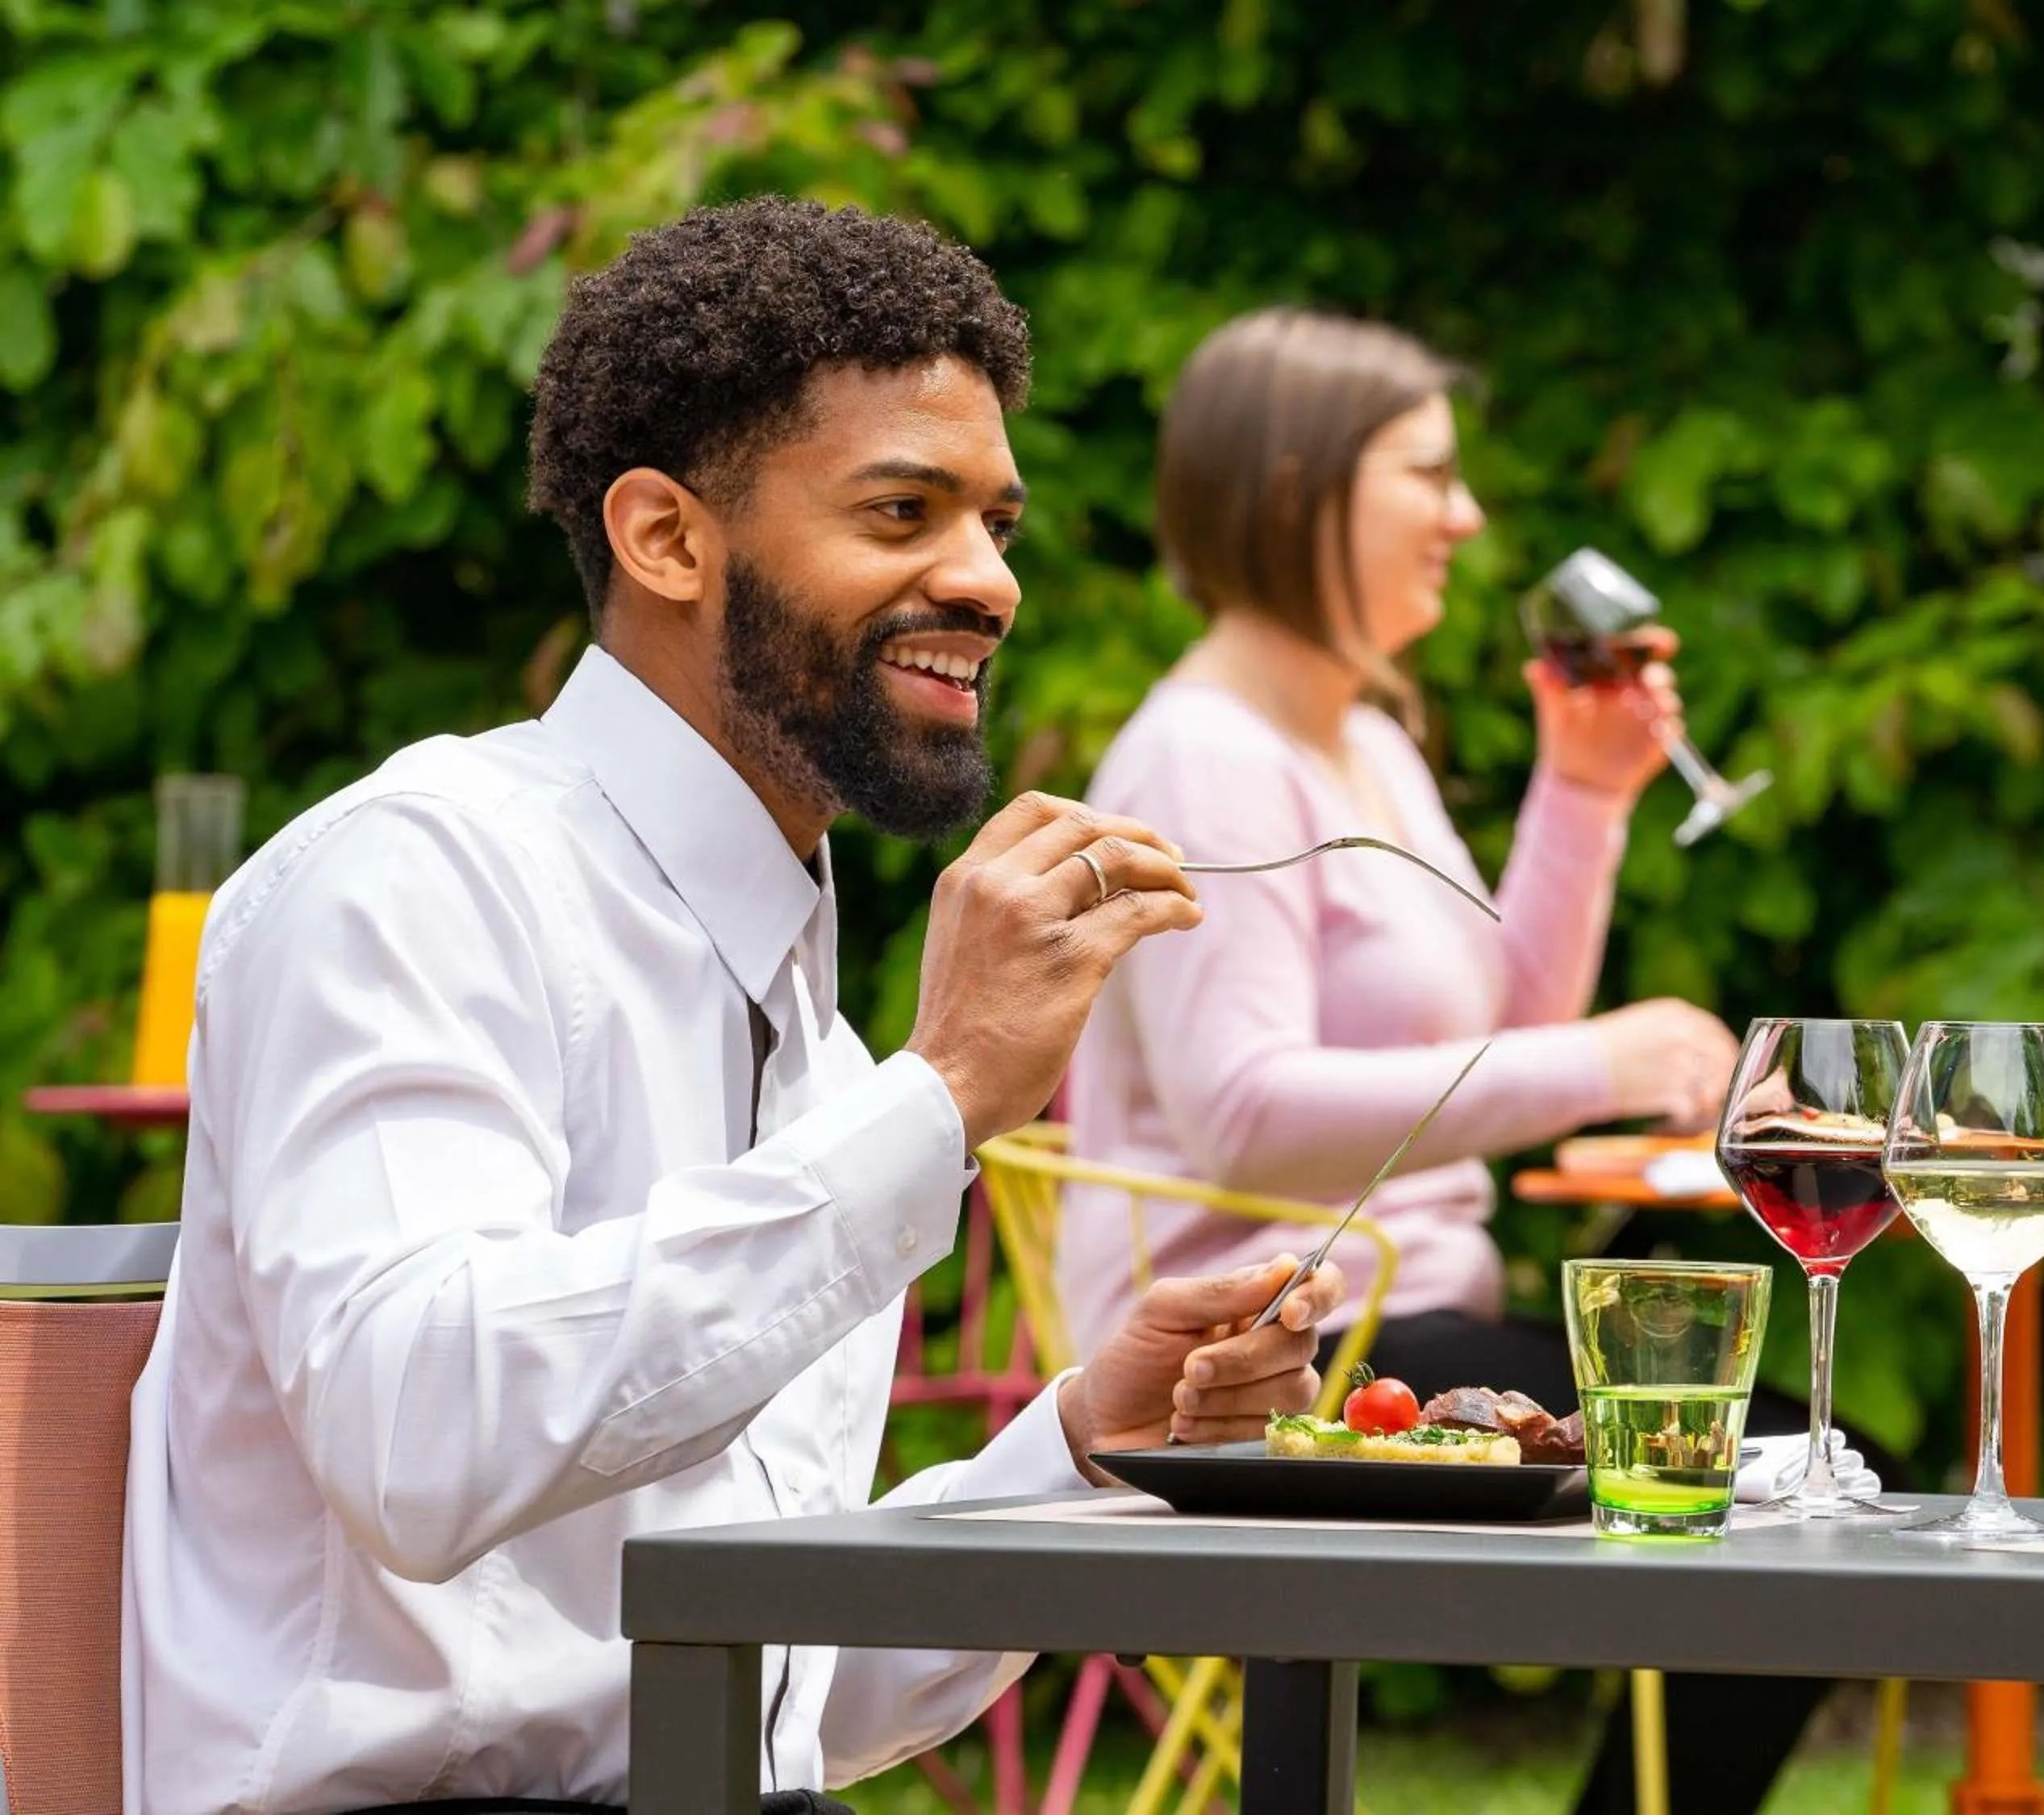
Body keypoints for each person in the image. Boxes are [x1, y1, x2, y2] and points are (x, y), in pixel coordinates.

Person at [120, 199, 1342, 1815]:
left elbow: (779, 1699)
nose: (987, 582)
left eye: (997, 523)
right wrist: (942, 1101)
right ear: (668, 539)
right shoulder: (417, 877)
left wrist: (1091, 1453)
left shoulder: (819, 1049)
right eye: (904, 510)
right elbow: (421, 1433)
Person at [1057, 307, 1839, 1814]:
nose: (1467, 517)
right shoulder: (1205, 755)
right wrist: (1599, 1063)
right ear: (1299, 488)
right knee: (1780, 1476)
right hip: (1276, 1352)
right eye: (1428, 474)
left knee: (1803, 1464)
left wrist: (1588, 789)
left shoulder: (1368, 741)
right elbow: (1241, 1118)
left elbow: (1503, 1016)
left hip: (1407, 1328)